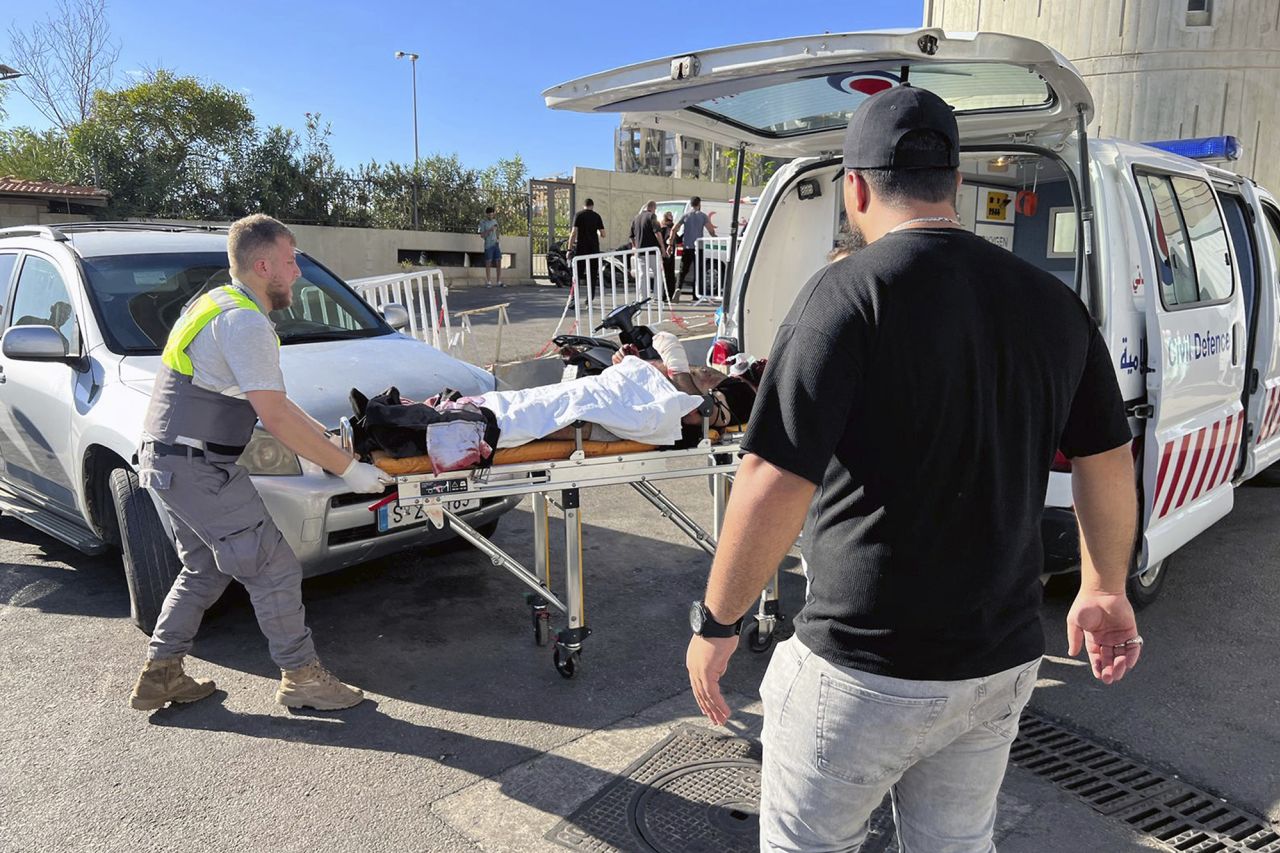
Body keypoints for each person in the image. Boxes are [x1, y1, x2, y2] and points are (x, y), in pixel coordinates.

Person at [683, 86, 1142, 851]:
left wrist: (718, 621)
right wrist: (1103, 586)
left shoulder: (845, 295)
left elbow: (772, 479)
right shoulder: (1054, 305)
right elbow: (1107, 455)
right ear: (955, 184)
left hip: (861, 668)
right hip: (997, 668)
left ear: (855, 187)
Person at [128, 214, 391, 713]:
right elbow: (271, 414)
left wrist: (331, 442)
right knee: (273, 567)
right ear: (264, 264)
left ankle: (161, 673)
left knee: (203, 566)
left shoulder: (215, 303)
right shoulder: (245, 321)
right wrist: (349, 471)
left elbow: (277, 404)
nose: (297, 273)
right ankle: (301, 676)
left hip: (170, 463)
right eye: (290, 263)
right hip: (198, 467)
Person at [670, 196, 716, 302]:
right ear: (699, 204)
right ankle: (695, 295)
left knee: (682, 271)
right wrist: (715, 238)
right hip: (698, 247)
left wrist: (672, 242)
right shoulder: (703, 216)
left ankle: (678, 288)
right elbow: (711, 230)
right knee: (698, 271)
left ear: (691, 204)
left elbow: (674, 229)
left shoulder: (686, 216)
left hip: (687, 247)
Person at [568, 198, 607, 289]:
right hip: (594, 249)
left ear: (583, 205)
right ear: (592, 206)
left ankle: (573, 297)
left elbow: (573, 233)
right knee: (592, 275)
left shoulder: (578, 215)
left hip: (581, 248)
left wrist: (569, 249)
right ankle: (589, 298)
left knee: (577, 273)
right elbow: (603, 234)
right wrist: (597, 232)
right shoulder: (597, 216)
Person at [478, 207, 502, 287]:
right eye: (489, 214)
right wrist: (490, 230)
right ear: (487, 214)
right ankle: (488, 281)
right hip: (488, 245)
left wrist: (498, 238)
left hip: (496, 244)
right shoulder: (483, 223)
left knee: (498, 262)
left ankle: (498, 281)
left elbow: (497, 230)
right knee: (488, 262)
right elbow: (482, 235)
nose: (491, 216)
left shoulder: (495, 221)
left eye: (492, 214)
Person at [659, 211, 678, 302]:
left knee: (666, 275)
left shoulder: (662, 228)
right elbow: (671, 240)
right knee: (669, 275)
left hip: (665, 254)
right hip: (668, 253)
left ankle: (665, 295)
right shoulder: (668, 229)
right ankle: (668, 295)